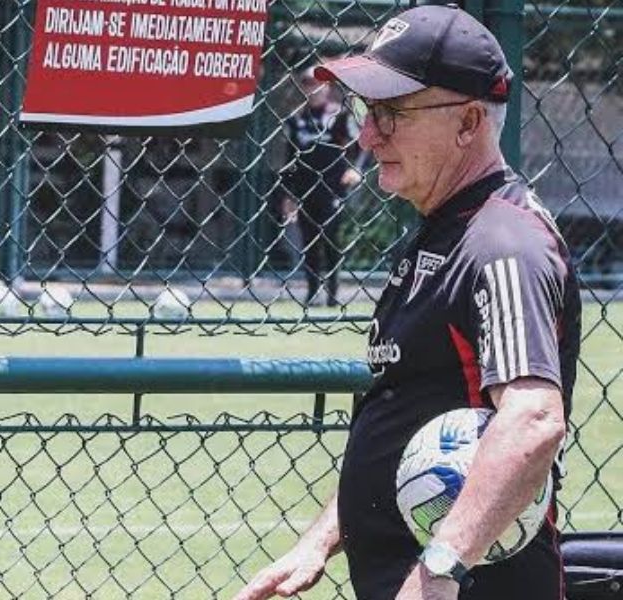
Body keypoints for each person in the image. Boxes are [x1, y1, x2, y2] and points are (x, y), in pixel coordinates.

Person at [236, 6, 580, 600]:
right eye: (368, 112)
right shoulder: (446, 227)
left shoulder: (503, 244)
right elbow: (412, 423)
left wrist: (440, 569)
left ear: (469, 122)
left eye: (392, 114)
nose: (368, 135)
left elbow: (532, 420)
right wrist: (322, 537)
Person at [281, 66, 363, 307]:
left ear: (327, 87)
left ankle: (334, 291)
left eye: (318, 83)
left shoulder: (338, 116)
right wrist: (288, 194)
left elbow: (361, 146)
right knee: (308, 240)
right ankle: (312, 289)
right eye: (307, 84)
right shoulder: (296, 121)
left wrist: (355, 168)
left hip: (332, 188)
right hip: (306, 189)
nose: (313, 88)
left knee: (330, 237)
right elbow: (289, 160)